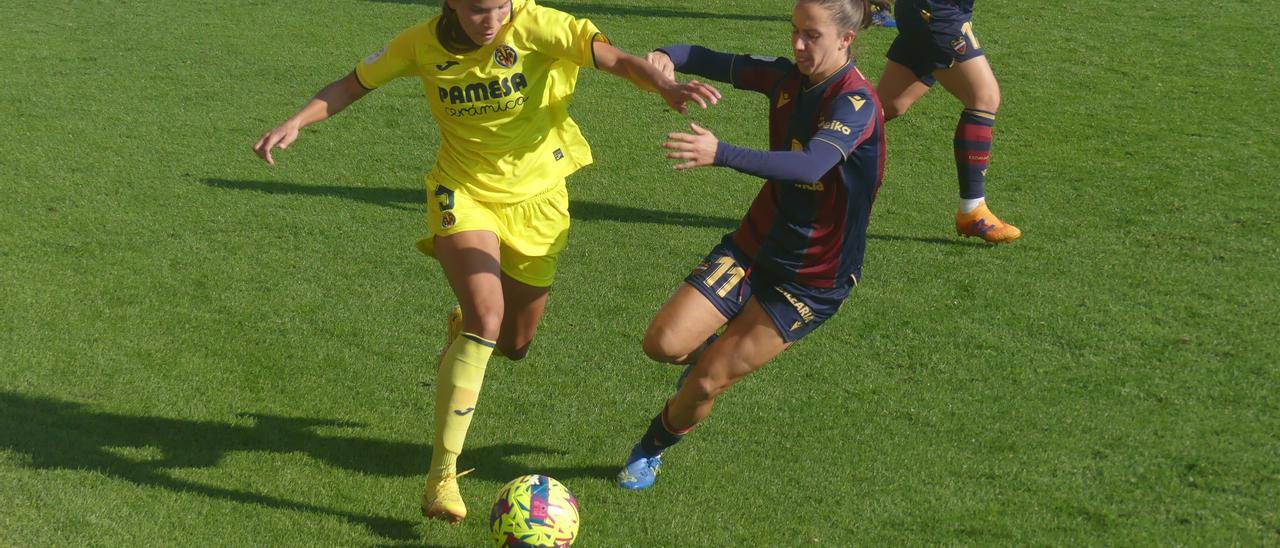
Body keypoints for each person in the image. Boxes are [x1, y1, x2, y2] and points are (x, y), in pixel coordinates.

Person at [252, 0, 720, 523]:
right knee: (487, 318)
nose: (493, 19)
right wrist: (298, 119)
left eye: (500, 6)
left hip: (540, 201)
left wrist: (663, 85)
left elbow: (615, 60)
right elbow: (353, 84)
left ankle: (463, 337)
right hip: (463, 193)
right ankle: (441, 478)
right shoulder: (419, 43)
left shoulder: (538, 24)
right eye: (479, 10)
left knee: (514, 344)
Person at [616, 0, 885, 490]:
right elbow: (706, 55)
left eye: (813, 36)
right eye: (794, 32)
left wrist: (721, 153)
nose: (799, 46)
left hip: (813, 279)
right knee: (663, 344)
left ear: (846, 39)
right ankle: (717, 353)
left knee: (703, 384)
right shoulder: (785, 79)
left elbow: (811, 166)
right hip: (755, 246)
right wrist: (664, 54)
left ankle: (649, 450)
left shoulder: (857, 104)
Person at [875, 0, 1020, 242]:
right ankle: (972, 210)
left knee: (888, 106)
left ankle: (804, 151)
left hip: (936, 10)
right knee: (984, 97)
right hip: (933, 10)